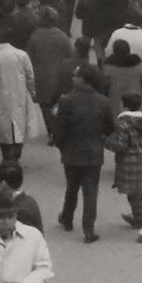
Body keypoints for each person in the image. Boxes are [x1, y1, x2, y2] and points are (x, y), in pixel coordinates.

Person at [51, 63, 115, 242]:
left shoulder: (66, 101)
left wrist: (61, 145)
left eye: (75, 76)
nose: (72, 78)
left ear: (83, 79)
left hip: (71, 152)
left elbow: (59, 130)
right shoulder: (103, 101)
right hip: (94, 152)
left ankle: (67, 219)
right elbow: (110, 128)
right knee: (90, 191)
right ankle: (88, 229)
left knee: (71, 187)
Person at [0, 29, 37, 164]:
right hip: (19, 95)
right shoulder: (22, 55)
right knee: (18, 126)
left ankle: (6, 156)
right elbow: (30, 76)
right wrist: (32, 92)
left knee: (2, 127)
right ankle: (16, 154)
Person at [106, 91, 142, 241]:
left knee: (136, 196)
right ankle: (136, 219)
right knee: (136, 192)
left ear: (124, 105)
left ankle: (141, 228)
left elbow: (120, 146)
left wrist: (106, 141)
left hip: (130, 162)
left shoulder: (123, 123)